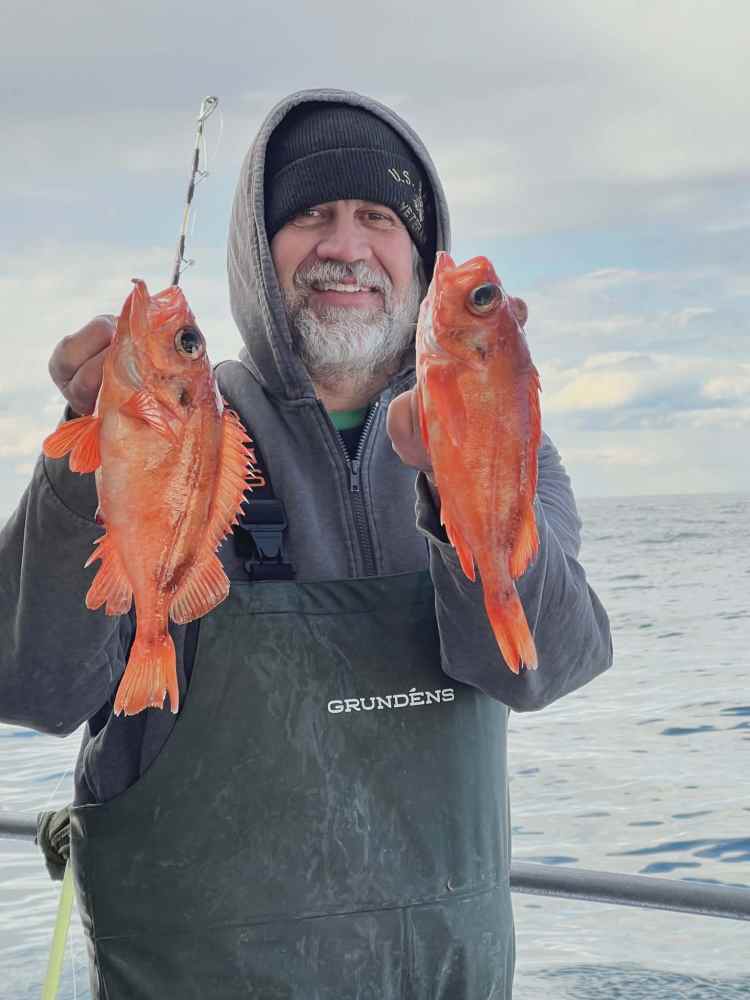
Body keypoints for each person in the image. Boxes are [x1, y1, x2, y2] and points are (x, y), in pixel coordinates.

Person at [0, 89, 613, 999]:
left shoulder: (500, 436)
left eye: (377, 217)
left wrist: (460, 482)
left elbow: (547, 668)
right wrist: (88, 453)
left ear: (419, 252)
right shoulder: (185, 418)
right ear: (259, 248)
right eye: (311, 216)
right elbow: (33, 685)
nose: (345, 246)